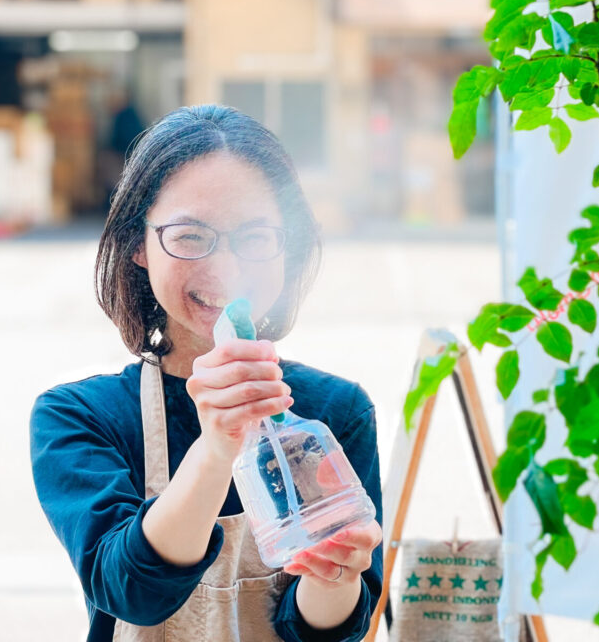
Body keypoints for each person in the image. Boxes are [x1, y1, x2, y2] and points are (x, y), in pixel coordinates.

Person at [30, 105, 383, 642]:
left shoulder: (336, 412)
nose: (224, 267)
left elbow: (330, 631)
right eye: (191, 236)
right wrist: (218, 448)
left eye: (257, 236)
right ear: (137, 246)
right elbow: (132, 593)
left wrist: (335, 574)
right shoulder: (80, 417)